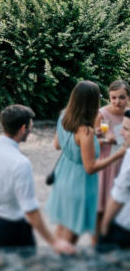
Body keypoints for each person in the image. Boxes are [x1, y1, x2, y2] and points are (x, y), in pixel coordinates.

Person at [0, 105, 75, 254]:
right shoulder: (21, 163)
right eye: (30, 126)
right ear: (23, 128)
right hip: (9, 224)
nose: (31, 129)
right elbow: (30, 210)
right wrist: (54, 242)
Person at [46, 80, 127, 245]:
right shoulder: (86, 130)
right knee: (72, 232)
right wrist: (118, 155)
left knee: (62, 226)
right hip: (79, 182)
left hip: (63, 175)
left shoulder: (63, 115)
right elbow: (90, 168)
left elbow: (56, 144)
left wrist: (95, 140)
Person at [97, 81, 130, 230]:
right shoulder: (102, 114)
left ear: (128, 97)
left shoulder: (129, 114)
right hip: (107, 163)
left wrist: (116, 138)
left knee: (121, 206)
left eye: (122, 97)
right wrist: (103, 139)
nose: (117, 101)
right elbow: (91, 141)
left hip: (125, 162)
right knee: (101, 207)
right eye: (113, 97)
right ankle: (98, 241)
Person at [101, 109, 130, 247]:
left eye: (126, 129)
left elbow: (119, 195)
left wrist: (105, 226)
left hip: (124, 227)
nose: (121, 132)